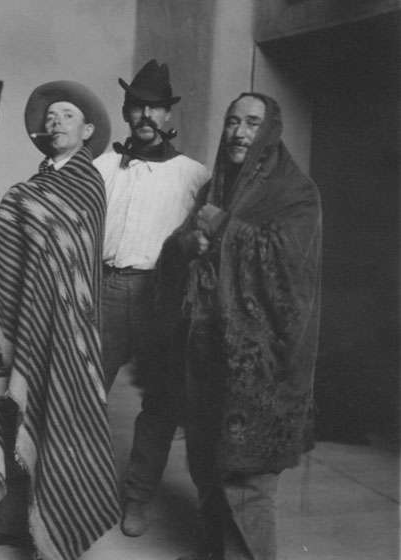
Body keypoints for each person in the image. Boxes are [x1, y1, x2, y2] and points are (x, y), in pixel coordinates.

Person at [0, 81, 119, 560]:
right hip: (17, 321)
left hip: (63, 329)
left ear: (87, 130)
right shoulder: (30, 187)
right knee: (5, 412)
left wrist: (21, 205)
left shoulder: (88, 184)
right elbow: (5, 259)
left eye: (66, 115)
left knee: (56, 414)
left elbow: (73, 263)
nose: (55, 121)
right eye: (51, 116)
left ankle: (52, 526)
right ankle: (4, 522)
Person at [161, 93, 321, 560]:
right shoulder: (219, 186)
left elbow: (291, 268)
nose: (239, 132)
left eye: (252, 123)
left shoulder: (296, 192)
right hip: (208, 354)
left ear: (270, 131)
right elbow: (184, 245)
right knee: (208, 472)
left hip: (261, 366)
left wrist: (225, 228)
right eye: (233, 122)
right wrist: (191, 241)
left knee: (246, 486)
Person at [93, 59, 210, 536]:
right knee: (80, 394)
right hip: (105, 289)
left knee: (161, 403)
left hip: (163, 298)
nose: (145, 117)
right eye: (136, 107)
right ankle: (77, 491)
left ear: (168, 116)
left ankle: (137, 497)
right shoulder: (99, 168)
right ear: (125, 113)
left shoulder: (193, 175)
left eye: (155, 108)